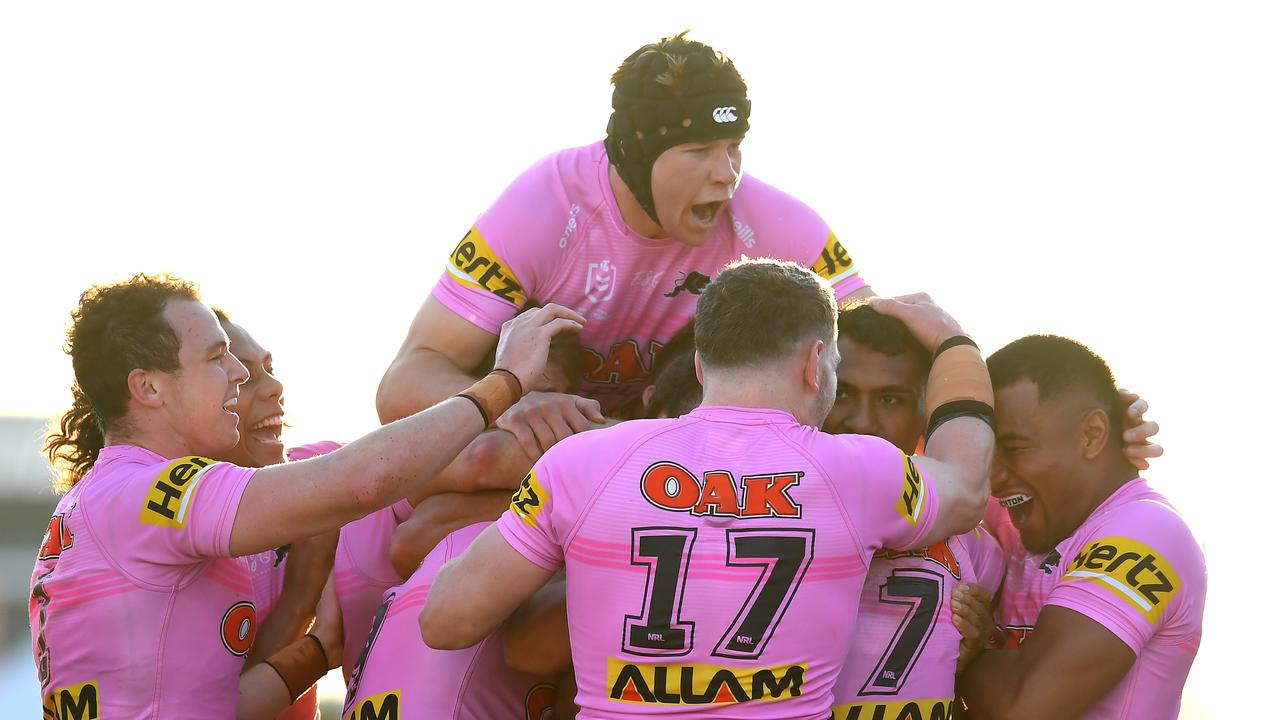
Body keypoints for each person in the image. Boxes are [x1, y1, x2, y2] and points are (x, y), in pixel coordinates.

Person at [419, 259, 994, 719]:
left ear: (699, 364)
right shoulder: (862, 471)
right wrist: (955, 343)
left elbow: (446, 621)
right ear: (816, 363)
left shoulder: (580, 461)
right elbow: (966, 487)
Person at [32, 273, 579, 719]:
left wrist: (314, 637)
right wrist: (504, 383)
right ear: (149, 388)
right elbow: (357, 480)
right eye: (217, 358)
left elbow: (221, 708)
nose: (241, 374)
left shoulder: (112, 497)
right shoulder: (142, 492)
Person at [377, 31, 875, 459]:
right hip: (537, 451)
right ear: (637, 152)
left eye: (733, 148)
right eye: (699, 151)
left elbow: (881, 342)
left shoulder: (769, 219)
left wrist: (940, 337)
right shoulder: (544, 209)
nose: (726, 175)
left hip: (676, 458)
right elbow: (401, 386)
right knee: (481, 462)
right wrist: (507, 398)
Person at [959, 335, 1206, 719]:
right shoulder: (1022, 520)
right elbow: (894, 414)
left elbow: (1021, 707)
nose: (994, 476)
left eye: (1015, 449)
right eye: (990, 452)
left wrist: (959, 649)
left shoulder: (1147, 532)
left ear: (1091, 434)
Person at [822, 307, 1005, 720]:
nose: (863, 422)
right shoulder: (768, 510)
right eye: (844, 392)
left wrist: (965, 659)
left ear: (925, 411)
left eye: (890, 399)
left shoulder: (979, 547)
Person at [215, 309, 338, 719]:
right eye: (244, 377)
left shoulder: (320, 469)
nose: (275, 387)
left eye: (269, 368)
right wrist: (300, 601)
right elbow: (218, 709)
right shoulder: (170, 525)